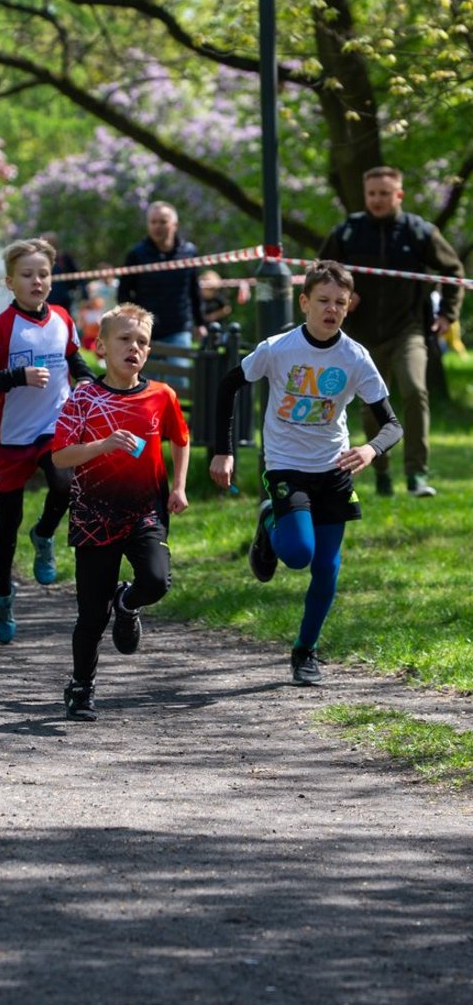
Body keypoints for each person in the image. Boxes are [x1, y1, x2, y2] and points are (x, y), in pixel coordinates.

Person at [210, 261, 403, 687]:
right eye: (322, 301)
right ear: (304, 303)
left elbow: (393, 424)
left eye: (340, 302)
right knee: (298, 554)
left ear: (348, 307)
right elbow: (228, 386)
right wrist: (223, 452)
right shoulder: (278, 349)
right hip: (286, 466)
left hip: (333, 469)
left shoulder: (355, 357)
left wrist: (371, 449)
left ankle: (305, 651)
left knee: (327, 568)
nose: (331, 309)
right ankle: (269, 518)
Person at [51, 303, 190, 722]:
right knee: (91, 614)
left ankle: (128, 603)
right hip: (93, 515)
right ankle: (81, 685)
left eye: (142, 342)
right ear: (101, 348)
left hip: (145, 510)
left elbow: (179, 439)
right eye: (125, 339)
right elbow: (59, 456)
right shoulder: (85, 397)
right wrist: (103, 445)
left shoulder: (161, 395)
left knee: (157, 580)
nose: (134, 348)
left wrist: (180, 486)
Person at [0, 238, 95, 643]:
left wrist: (90, 382)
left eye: (43, 274)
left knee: (66, 484)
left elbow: (75, 358)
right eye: (27, 275)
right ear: (10, 282)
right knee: (7, 520)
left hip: (55, 427)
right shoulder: (0, 328)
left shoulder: (61, 317)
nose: (36, 281)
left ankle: (44, 534)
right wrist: (16, 377)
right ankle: (3, 594)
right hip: (13, 437)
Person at [319, 165, 465, 497]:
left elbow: (454, 270)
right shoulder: (348, 232)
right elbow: (322, 269)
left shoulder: (419, 232)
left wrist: (447, 315)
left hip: (408, 329)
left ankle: (417, 475)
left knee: (415, 391)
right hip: (362, 335)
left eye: (385, 194)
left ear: (398, 195)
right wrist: (342, 296)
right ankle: (381, 471)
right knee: (372, 405)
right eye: (372, 194)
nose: (377, 200)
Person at [117, 202, 206, 367]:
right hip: (145, 330)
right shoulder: (136, 254)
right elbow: (124, 292)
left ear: (175, 225)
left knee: (178, 381)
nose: (157, 226)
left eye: (163, 222)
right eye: (153, 222)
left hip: (178, 328)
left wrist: (200, 323)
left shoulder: (189, 252)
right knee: (148, 385)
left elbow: (194, 290)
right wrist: (132, 321)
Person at [42, 231, 86, 316]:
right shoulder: (37, 260)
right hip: (43, 301)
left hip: (63, 301)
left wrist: (85, 294)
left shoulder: (64, 258)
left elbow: (78, 276)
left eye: (50, 242)